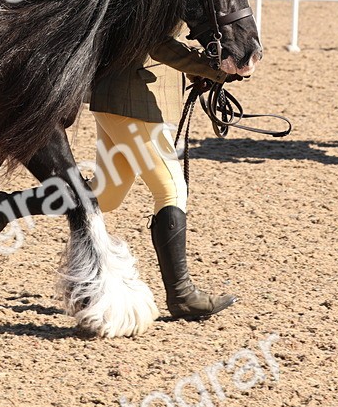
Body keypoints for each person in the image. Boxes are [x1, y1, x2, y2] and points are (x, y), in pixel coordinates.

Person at [87, 36, 238, 320]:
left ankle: (7, 206)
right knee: (171, 190)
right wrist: (215, 69)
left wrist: (196, 68)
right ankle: (181, 295)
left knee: (104, 196)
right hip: (131, 99)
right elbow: (156, 42)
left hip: (116, 98)